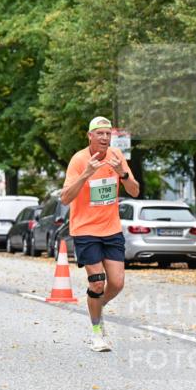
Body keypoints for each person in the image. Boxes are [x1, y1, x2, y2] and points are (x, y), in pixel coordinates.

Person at [59, 116, 140, 352]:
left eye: (108, 134)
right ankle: (97, 334)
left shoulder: (116, 156)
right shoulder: (79, 160)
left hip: (111, 229)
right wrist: (85, 174)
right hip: (85, 230)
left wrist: (122, 174)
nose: (105, 138)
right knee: (97, 283)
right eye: (100, 134)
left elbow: (134, 191)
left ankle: (97, 307)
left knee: (116, 283)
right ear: (90, 136)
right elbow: (65, 198)